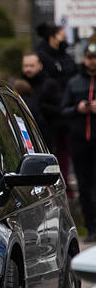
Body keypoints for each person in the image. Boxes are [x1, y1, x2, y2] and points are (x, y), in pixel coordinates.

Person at [62, 41, 96, 241]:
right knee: (83, 185)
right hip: (80, 141)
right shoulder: (74, 82)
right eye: (89, 58)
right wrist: (78, 108)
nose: (92, 62)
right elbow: (63, 110)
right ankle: (90, 227)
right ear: (84, 59)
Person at [21, 52, 61, 150]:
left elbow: (58, 109)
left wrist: (38, 106)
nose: (28, 69)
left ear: (40, 66)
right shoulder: (20, 84)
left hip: (46, 136)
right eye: (25, 66)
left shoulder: (49, 84)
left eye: (31, 66)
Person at [36, 22, 77, 90]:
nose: (65, 40)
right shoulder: (42, 56)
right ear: (52, 38)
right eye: (63, 37)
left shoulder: (65, 55)